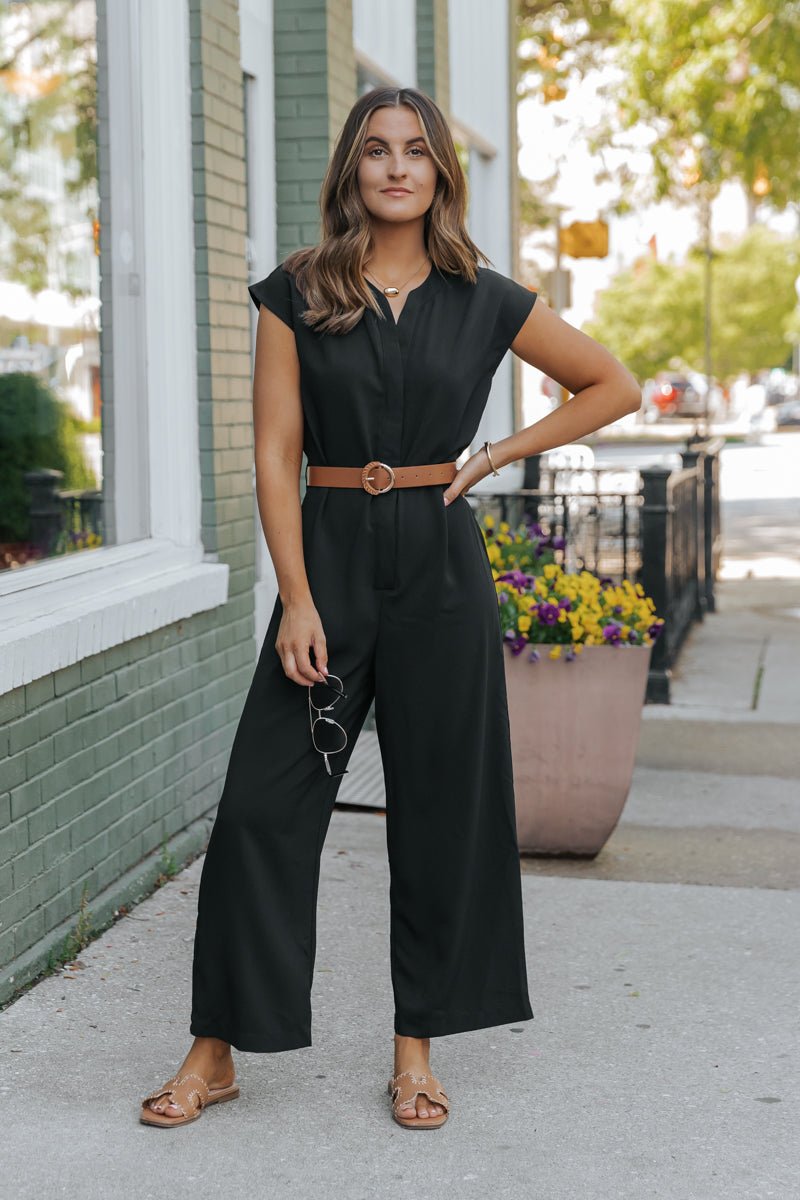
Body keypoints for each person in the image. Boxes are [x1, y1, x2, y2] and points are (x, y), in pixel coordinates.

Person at [140, 85, 641, 1131]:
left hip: (439, 569)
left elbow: (610, 384)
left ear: (441, 172)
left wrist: (498, 454)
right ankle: (215, 1048)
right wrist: (295, 600)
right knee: (261, 812)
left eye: (415, 151)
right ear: (351, 172)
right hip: (325, 556)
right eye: (375, 152)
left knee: (439, 814)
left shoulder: (483, 296)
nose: (396, 168)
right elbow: (276, 455)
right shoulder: (296, 290)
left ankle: (415, 1052)